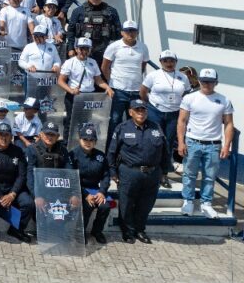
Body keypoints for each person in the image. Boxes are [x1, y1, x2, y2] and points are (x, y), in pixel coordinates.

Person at [106, 99, 169, 244]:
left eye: (143, 110)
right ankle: (127, 231)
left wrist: (164, 172)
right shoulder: (122, 128)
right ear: (130, 112)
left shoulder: (156, 127)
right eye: (137, 110)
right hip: (129, 172)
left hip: (152, 173)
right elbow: (111, 152)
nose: (140, 113)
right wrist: (113, 172)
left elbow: (165, 151)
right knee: (126, 203)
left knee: (146, 204)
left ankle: (140, 229)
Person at [177, 68, 233, 219]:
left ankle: (206, 204)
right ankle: (188, 201)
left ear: (216, 83)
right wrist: (181, 142)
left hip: (213, 144)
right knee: (189, 174)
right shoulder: (190, 98)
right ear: (199, 81)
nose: (206, 84)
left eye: (210, 81)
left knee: (210, 176)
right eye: (203, 81)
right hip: (192, 142)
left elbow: (228, 124)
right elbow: (182, 121)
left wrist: (226, 145)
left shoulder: (224, 100)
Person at [141, 50, 191, 188]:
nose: (169, 63)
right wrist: (150, 105)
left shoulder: (183, 77)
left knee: (168, 144)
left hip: (174, 114)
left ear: (176, 62)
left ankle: (163, 174)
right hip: (155, 111)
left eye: (171, 60)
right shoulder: (153, 75)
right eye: (165, 60)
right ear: (161, 62)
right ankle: (149, 171)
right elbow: (143, 91)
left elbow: (187, 94)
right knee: (153, 141)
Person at [0, 122, 34, 243]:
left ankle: (16, 230)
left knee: (28, 203)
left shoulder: (18, 151)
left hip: (12, 187)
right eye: (0, 134)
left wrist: (12, 194)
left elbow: (21, 175)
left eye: (7, 135)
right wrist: (0, 196)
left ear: (11, 137)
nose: (3, 137)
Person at [58, 37, 113, 135]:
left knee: (86, 120)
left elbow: (98, 80)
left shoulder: (93, 62)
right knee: (71, 121)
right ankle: (66, 142)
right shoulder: (69, 62)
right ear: (76, 49)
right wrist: (71, 91)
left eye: (87, 49)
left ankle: (83, 140)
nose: (84, 51)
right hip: (74, 96)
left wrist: (107, 87)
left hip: (89, 96)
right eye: (81, 48)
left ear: (90, 50)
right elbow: (60, 81)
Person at [101, 20, 149, 129]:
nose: (130, 33)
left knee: (135, 121)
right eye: (127, 31)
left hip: (136, 91)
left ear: (137, 32)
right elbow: (104, 67)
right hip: (118, 90)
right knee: (115, 120)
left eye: (133, 30)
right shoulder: (114, 46)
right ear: (122, 32)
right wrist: (111, 82)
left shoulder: (143, 47)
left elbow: (142, 67)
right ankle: (114, 140)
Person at [69, 123, 111, 244]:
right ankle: (80, 232)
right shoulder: (73, 155)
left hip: (95, 189)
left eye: (91, 140)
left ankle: (97, 231)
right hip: (78, 189)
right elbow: (71, 178)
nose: (88, 142)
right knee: (88, 205)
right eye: (85, 139)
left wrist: (102, 192)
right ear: (80, 140)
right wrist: (85, 194)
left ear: (95, 142)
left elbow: (106, 176)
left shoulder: (101, 156)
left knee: (105, 206)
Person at [66, 0, 120, 64]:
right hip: (84, 50)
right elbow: (71, 31)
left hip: (105, 51)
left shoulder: (111, 11)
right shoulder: (78, 11)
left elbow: (119, 31)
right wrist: (71, 48)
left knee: (104, 72)